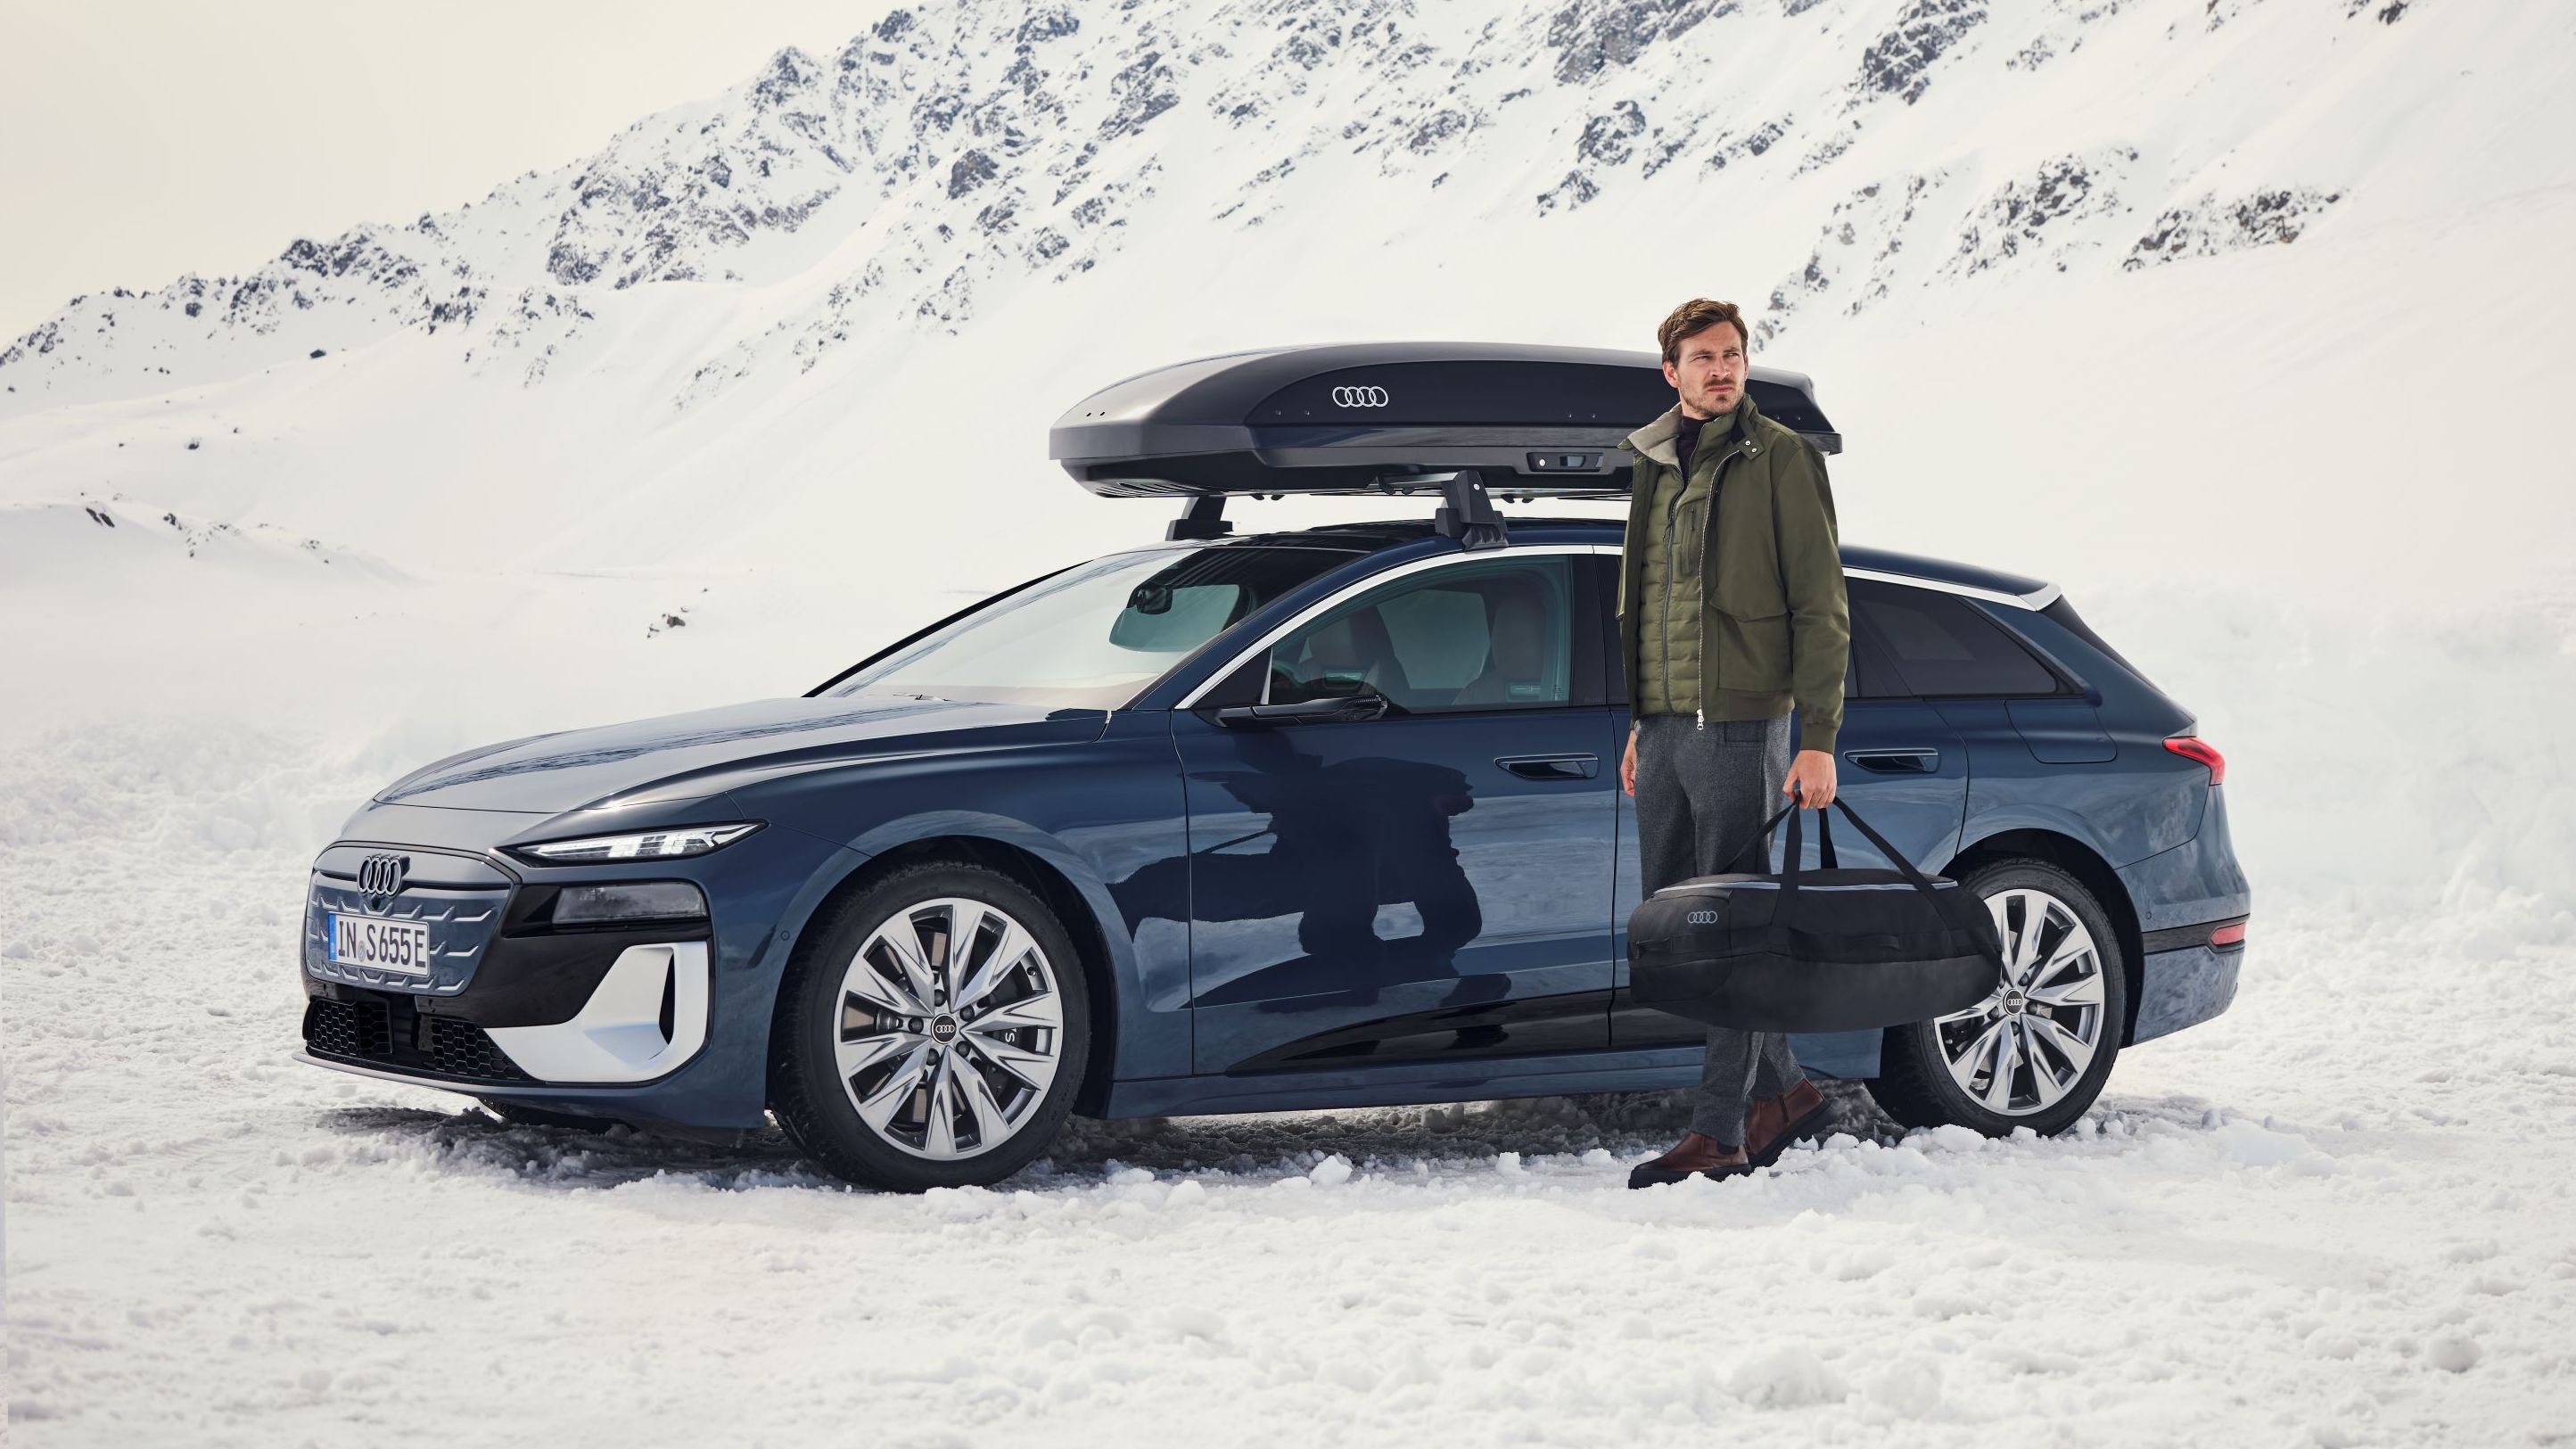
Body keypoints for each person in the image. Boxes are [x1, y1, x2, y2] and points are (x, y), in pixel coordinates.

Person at [1615, 298, 1852, 1188]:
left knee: (1726, 929)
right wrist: (1641, 718)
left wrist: (1816, 737)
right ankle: (1785, 1088)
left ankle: (1718, 1129)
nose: (1722, 369)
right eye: (1703, 357)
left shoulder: (1783, 461)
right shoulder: (1652, 463)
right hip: (1670, 729)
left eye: (1733, 354)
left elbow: (1822, 608)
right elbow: (1646, 599)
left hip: (1745, 726)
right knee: (1676, 927)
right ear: (1670, 372)